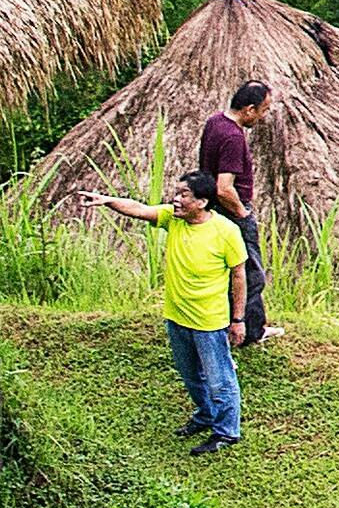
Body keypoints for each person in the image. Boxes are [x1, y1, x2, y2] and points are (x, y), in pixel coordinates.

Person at [94, 186, 247, 450]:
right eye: (177, 193)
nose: (176, 199)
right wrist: (107, 200)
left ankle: (226, 432)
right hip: (177, 317)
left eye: (184, 194)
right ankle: (206, 415)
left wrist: (238, 319)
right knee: (191, 376)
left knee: (220, 380)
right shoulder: (173, 219)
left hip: (208, 321)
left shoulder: (226, 231)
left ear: (202, 201)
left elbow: (239, 275)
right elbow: (139, 209)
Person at [194, 67, 272, 347]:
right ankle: (250, 330)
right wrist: (242, 212)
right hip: (230, 210)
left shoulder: (215, 122)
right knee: (250, 271)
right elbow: (224, 186)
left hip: (215, 210)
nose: (263, 116)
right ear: (249, 109)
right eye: (263, 110)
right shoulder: (233, 137)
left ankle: (238, 325)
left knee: (225, 271)